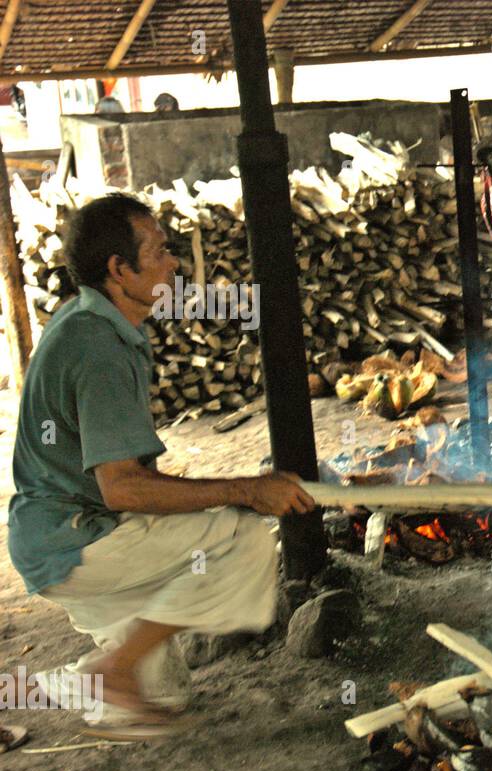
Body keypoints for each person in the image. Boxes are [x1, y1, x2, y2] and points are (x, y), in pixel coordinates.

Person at [7, 194, 315, 738]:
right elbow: (123, 488)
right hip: (76, 541)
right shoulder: (97, 347)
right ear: (118, 269)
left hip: (56, 536)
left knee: (161, 692)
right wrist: (245, 489)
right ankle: (116, 667)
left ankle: (90, 679)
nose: (172, 262)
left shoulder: (93, 319)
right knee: (239, 539)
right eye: (158, 252)